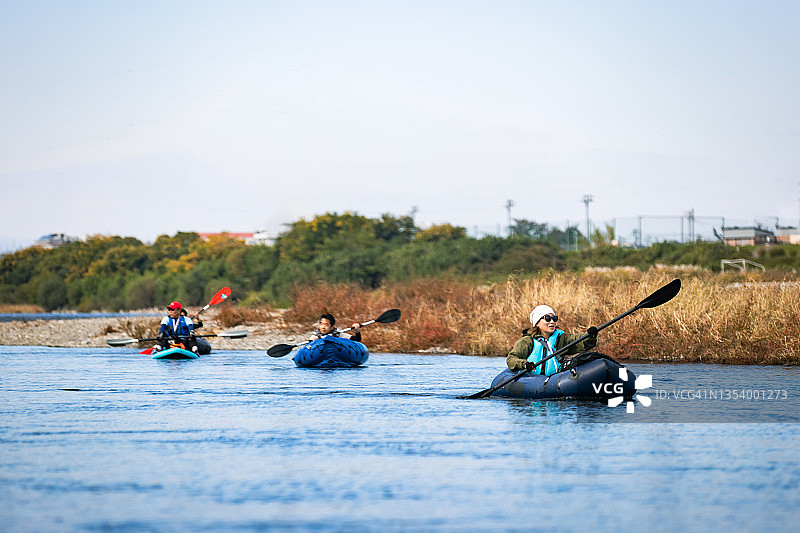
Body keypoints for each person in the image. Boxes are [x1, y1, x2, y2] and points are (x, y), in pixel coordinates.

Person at [506, 304, 598, 376]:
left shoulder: (561, 338)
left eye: (554, 318)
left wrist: (590, 336)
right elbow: (511, 359)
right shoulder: (527, 341)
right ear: (537, 323)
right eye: (547, 318)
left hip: (554, 379)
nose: (552, 322)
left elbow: (578, 341)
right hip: (532, 379)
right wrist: (525, 364)